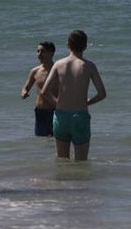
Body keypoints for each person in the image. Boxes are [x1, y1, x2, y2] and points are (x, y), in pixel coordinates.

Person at [41, 29, 106, 160]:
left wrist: (57, 103)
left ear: (67, 44)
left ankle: (63, 175)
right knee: (81, 162)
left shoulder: (58, 64)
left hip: (61, 116)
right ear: (85, 46)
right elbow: (102, 94)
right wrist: (87, 102)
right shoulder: (89, 66)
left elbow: (44, 92)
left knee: (62, 160)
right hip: (80, 116)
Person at [20, 41, 56, 136]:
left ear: (51, 53)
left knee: (55, 139)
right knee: (41, 140)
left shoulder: (58, 70)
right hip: (40, 112)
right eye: (38, 51)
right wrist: (24, 93)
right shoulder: (35, 71)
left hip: (55, 111)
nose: (39, 54)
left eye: (42, 51)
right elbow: (26, 88)